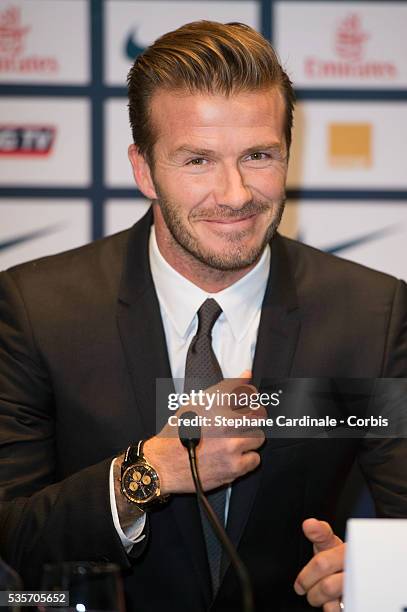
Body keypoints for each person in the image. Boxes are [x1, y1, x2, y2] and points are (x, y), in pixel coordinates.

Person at [0, 20, 406, 612]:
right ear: (144, 170)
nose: (236, 193)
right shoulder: (36, 308)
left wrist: (379, 575)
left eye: (258, 155)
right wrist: (143, 475)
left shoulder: (371, 312)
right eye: (197, 161)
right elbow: (12, 532)